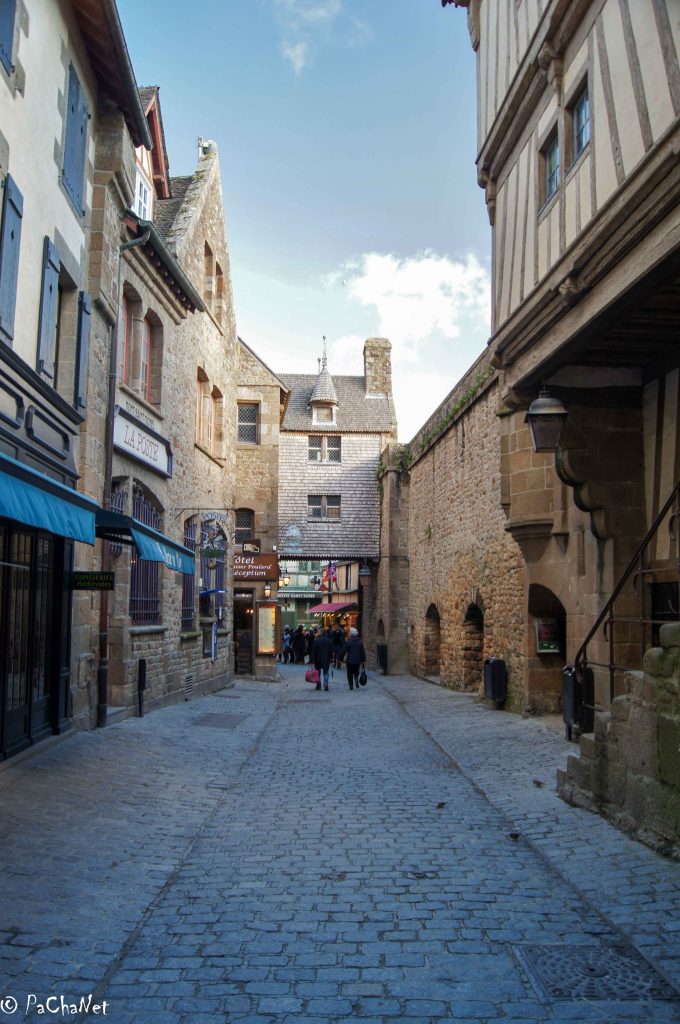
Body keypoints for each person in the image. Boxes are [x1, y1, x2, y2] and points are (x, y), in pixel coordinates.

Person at [311, 627, 333, 691]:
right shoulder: (329, 641)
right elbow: (331, 651)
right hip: (326, 659)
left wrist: (312, 660)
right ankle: (326, 684)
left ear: (320, 633)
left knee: (318, 672)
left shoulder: (316, 640)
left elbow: (313, 651)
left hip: (317, 659)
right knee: (326, 672)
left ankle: (318, 686)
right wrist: (331, 658)